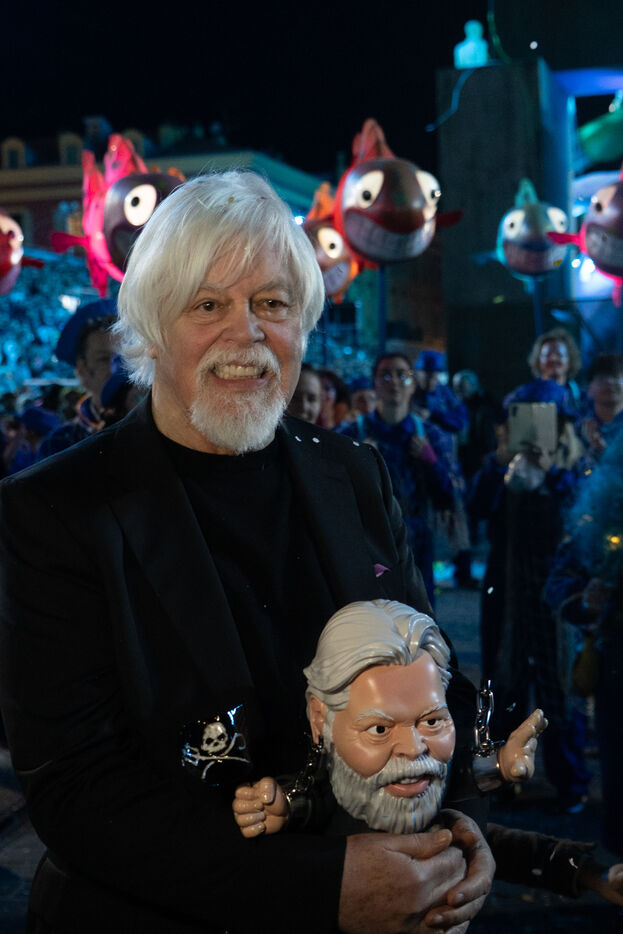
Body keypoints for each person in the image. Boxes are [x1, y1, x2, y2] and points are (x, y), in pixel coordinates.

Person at [0, 171, 494, 934]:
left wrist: (453, 827)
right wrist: (321, 889)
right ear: (150, 331)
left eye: (272, 303)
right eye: (208, 305)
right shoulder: (55, 510)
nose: (247, 332)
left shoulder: (354, 475)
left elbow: (434, 683)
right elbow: (78, 790)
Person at [233, 600, 623, 907]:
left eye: (433, 721)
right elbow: (304, 809)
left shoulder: (434, 803)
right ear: (321, 719)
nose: (414, 747)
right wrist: (284, 805)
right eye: (380, 729)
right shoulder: (331, 801)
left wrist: (590, 873)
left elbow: (486, 844)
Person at [340, 353, 454, 605]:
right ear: (374, 383)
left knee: (418, 614)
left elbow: (449, 497)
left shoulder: (431, 435)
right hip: (368, 543)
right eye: (386, 375)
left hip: (416, 545)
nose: (394, 381)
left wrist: (431, 461)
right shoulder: (351, 434)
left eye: (403, 375)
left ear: (413, 385)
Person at [36, 298, 117, 459]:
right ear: (82, 369)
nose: (118, 368)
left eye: (126, 357)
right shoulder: (59, 444)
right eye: (103, 359)